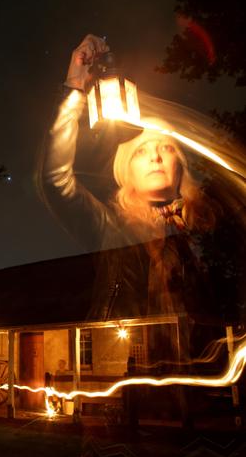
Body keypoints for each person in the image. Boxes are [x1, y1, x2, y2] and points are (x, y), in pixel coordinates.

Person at [41, 34, 237, 416]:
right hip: (130, 378)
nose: (155, 157)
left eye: (166, 148)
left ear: (180, 163)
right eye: (141, 152)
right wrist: (75, 92)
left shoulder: (210, 228)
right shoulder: (108, 227)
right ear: (124, 170)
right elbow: (56, 180)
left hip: (206, 377)